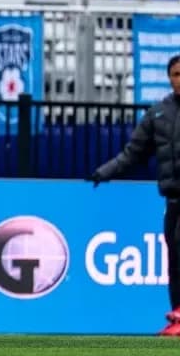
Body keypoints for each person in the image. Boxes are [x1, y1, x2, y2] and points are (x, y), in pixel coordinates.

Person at [90, 54, 180, 337]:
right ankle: (178, 317)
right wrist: (104, 172)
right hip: (173, 198)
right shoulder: (158, 114)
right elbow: (133, 154)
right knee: (174, 258)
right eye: (177, 74)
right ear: (170, 78)